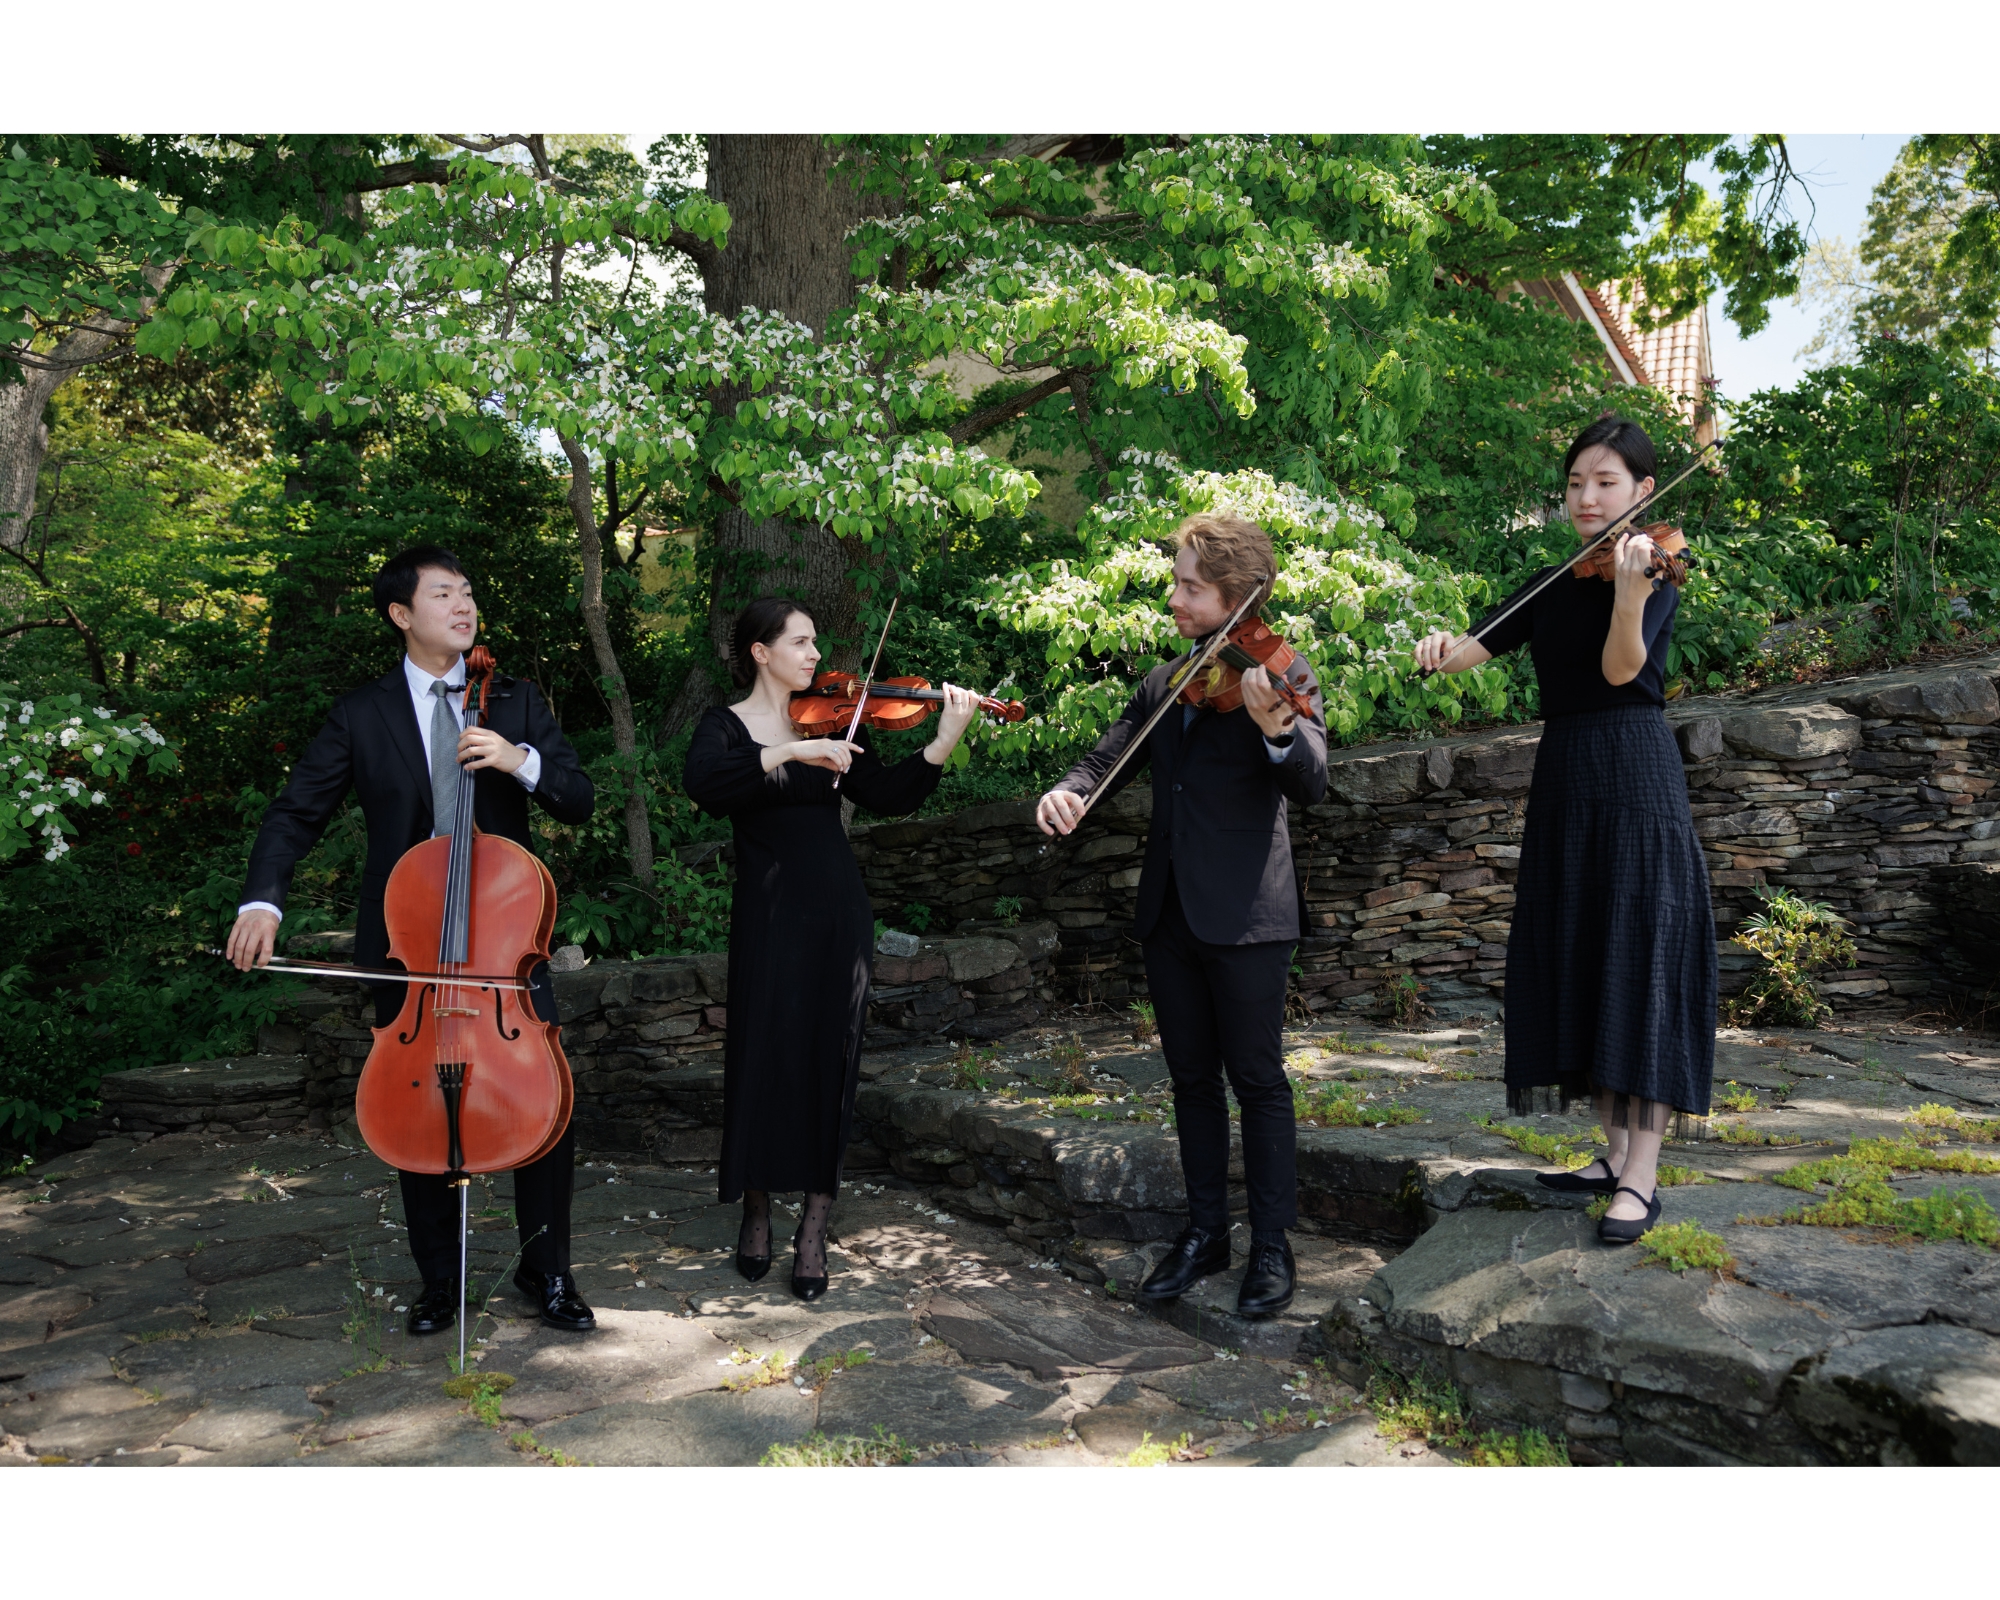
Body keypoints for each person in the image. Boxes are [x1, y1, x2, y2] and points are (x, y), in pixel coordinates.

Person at [226, 546, 599, 1334]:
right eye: (442, 595)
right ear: (402, 614)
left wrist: (518, 760)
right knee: (415, 1104)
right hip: (405, 945)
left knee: (545, 1098)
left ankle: (549, 1272)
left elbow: (579, 798)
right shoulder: (361, 714)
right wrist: (263, 900)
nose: (463, 606)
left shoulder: (516, 700)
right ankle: (442, 1281)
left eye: (468, 592)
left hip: (504, 941)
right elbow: (297, 812)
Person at [1414, 415, 1717, 1244]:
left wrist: (1628, 594)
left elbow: (1623, 672)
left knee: (1637, 954)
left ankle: (1643, 1180)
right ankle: (1613, 1155)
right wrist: (1441, 644)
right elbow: (1476, 647)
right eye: (1578, 481)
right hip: (1567, 777)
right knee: (1581, 949)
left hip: (1632, 769)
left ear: (1644, 491)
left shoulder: (1653, 570)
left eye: (1606, 482)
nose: (1587, 496)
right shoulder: (1554, 579)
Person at [1037, 514, 1327, 1317]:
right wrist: (1067, 791)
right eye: (1177, 581)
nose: (1174, 598)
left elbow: (1312, 781)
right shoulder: (1166, 682)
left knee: (1259, 1083)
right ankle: (1207, 1233)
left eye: (1191, 587)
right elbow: (1104, 757)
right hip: (1169, 912)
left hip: (1250, 916)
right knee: (1191, 1081)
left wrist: (1277, 734)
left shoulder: (1282, 671)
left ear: (1239, 596)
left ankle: (1271, 1245)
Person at [682, 599, 978, 1301]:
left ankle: (815, 1222)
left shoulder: (838, 716)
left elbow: (888, 795)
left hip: (836, 912)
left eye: (817, 642)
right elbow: (706, 786)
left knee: (830, 1056)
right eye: (801, 641)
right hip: (767, 912)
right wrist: (787, 750)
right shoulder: (725, 728)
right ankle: (756, 1208)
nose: (815, 655)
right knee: (761, 1055)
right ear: (760, 651)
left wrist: (942, 741)